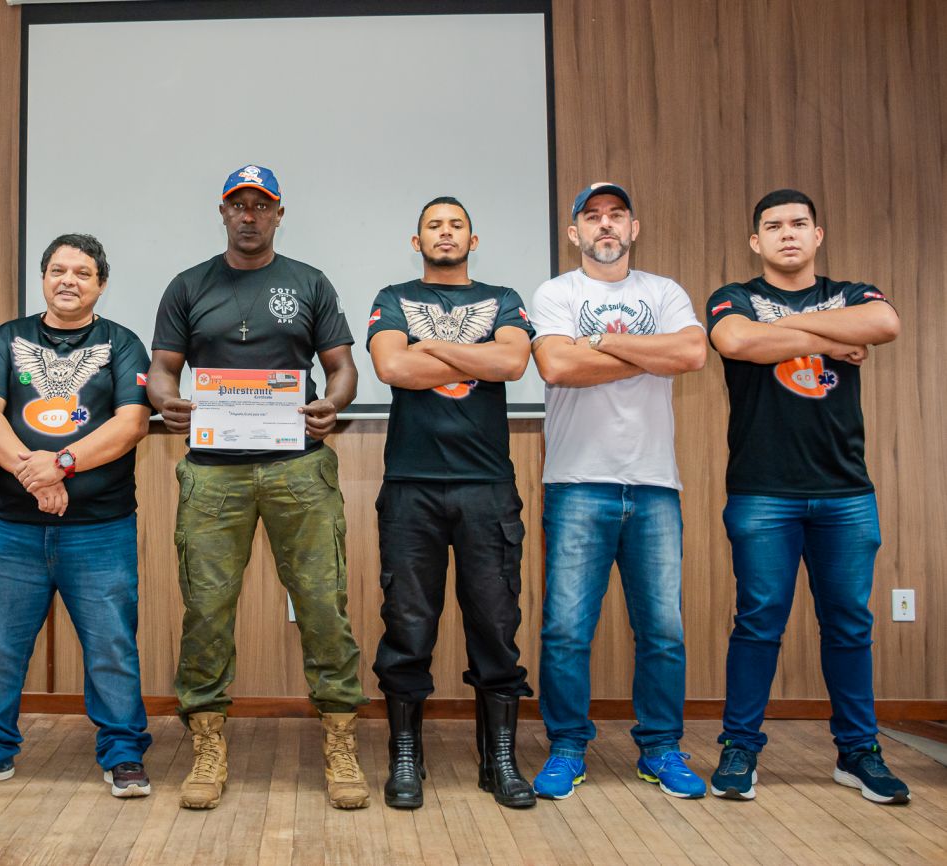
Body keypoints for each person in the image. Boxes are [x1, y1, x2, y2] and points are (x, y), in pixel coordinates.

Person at [147, 165, 369, 810]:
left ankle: (340, 743)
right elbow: (162, 370)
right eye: (238, 205)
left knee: (323, 604)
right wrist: (166, 401)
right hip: (214, 474)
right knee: (207, 610)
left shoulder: (309, 282)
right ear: (222, 212)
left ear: (278, 213)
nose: (249, 216)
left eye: (261, 205)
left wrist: (333, 404)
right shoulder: (188, 285)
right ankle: (207, 745)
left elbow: (343, 368)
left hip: (299, 468)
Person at [705, 189, 906, 804]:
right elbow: (736, 342)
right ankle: (740, 748)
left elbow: (884, 324)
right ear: (755, 241)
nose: (787, 234)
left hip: (845, 492)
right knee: (758, 621)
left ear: (818, 235)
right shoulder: (732, 296)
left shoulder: (853, 292)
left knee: (848, 623)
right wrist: (828, 340)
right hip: (762, 490)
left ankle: (858, 752)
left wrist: (786, 333)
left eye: (798, 224)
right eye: (773, 226)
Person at [0, 233, 154, 800]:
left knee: (112, 646)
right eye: (58, 270)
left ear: (100, 284)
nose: (68, 281)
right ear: (43, 279)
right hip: (13, 529)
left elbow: (132, 424)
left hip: (101, 530)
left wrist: (60, 464)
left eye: (82, 273)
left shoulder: (122, 342)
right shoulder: (8, 338)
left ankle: (123, 753)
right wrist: (34, 475)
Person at [528, 183, 708, 800]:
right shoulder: (557, 293)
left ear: (634, 228)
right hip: (577, 483)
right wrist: (653, 355)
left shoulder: (664, 292)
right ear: (574, 233)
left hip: (655, 484)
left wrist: (601, 342)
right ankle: (567, 747)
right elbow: (557, 366)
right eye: (592, 217)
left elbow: (693, 352)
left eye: (616, 216)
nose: (605, 225)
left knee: (663, 631)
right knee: (565, 631)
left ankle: (661, 748)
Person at [366, 196, 536, 810]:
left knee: (496, 624)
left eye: (456, 225)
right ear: (417, 242)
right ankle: (405, 758)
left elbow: (512, 361)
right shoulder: (392, 296)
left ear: (473, 239)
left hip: (486, 486)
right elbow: (391, 367)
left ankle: (500, 761)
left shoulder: (504, 297)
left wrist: (429, 349)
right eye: (434, 226)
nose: (445, 233)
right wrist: (472, 356)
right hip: (410, 486)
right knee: (408, 624)